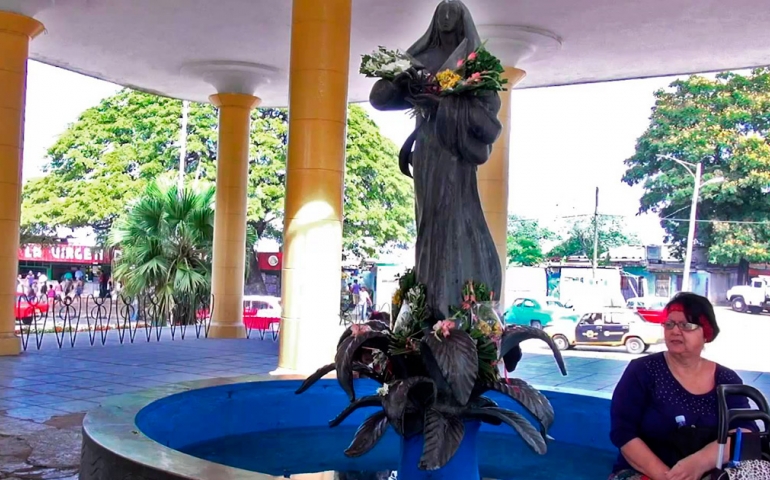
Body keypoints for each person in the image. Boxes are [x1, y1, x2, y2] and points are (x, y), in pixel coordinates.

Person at [368, 0, 503, 316]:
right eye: (441, 10)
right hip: (428, 151)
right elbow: (378, 97)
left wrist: (444, 104)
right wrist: (399, 78)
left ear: (462, 20)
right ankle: (429, 298)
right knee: (428, 219)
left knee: (455, 215)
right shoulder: (418, 58)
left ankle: (458, 296)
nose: (446, 16)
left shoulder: (476, 63)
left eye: (453, 12)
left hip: (456, 157)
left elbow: (489, 121)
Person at [609, 292, 756, 480]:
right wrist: (670, 477)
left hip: (709, 473)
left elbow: (744, 430)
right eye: (669, 324)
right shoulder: (642, 371)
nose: (675, 331)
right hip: (645, 473)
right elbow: (623, 432)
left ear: (706, 333)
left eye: (686, 325)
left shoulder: (727, 379)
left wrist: (699, 463)